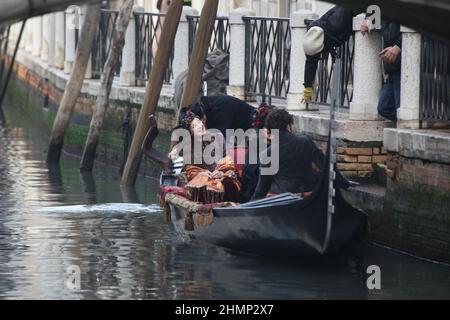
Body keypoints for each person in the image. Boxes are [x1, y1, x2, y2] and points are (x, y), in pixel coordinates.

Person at [251, 109, 350, 200]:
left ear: (269, 129)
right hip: (306, 194)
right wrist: (345, 183)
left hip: (280, 198)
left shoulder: (266, 154)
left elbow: (262, 189)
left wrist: (248, 208)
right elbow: (326, 166)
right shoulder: (305, 141)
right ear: (289, 125)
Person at [301, 6, 355, 103]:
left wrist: (366, 19)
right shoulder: (313, 39)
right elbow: (310, 64)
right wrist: (307, 88)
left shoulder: (337, 22)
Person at [361, 19, 402, 122]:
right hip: (392, 68)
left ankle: (411, 124)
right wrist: (368, 18)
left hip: (402, 67)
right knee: (384, 108)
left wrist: (375, 23)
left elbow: (391, 35)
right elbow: (372, 8)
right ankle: (311, 98)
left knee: (399, 109)